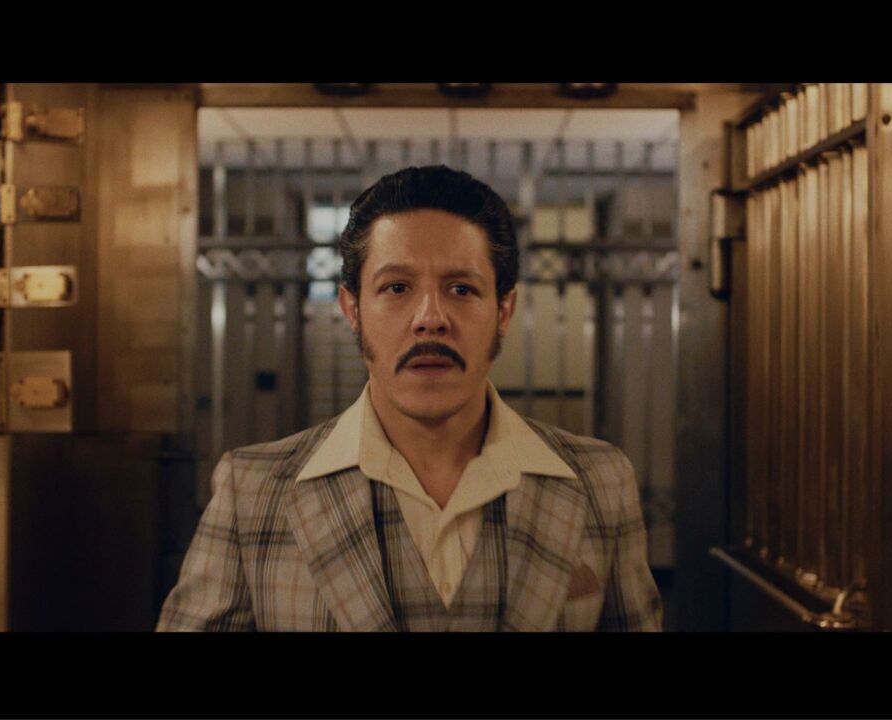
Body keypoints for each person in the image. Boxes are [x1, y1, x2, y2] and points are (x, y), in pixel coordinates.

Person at [157, 165, 662, 631]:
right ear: (352, 309)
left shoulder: (599, 482)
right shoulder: (253, 491)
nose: (430, 318)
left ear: (504, 311)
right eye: (397, 287)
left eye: (461, 289)